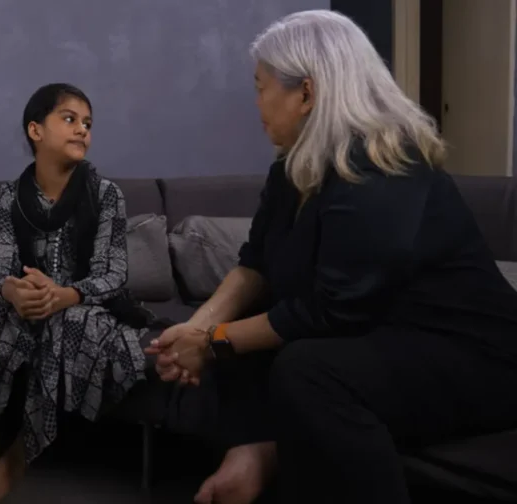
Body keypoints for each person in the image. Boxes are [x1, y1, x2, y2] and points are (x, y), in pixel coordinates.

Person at [147, 10, 517, 504]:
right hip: (383, 339)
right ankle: (259, 454)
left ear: (306, 92)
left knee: (307, 368)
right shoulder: (291, 170)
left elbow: (333, 309)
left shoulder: (384, 163)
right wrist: (201, 330)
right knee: (245, 346)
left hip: (473, 355)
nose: (255, 101)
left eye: (261, 87)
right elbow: (254, 264)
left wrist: (213, 341)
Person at [0, 83, 160, 504]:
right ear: (35, 130)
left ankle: (17, 458)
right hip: (28, 304)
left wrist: (65, 294)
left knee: (68, 321)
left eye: (88, 123)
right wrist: (13, 290)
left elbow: (113, 275)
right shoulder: (7, 198)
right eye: (69, 119)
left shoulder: (106, 195)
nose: (82, 129)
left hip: (89, 308)